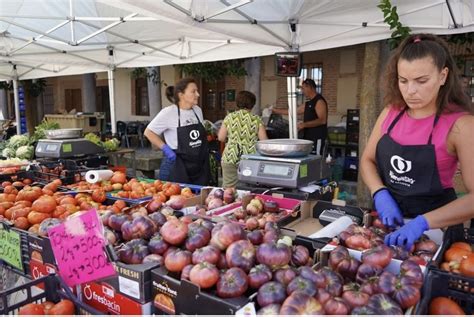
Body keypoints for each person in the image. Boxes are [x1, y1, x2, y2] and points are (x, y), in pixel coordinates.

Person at [360, 33, 474, 251]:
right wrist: (379, 192)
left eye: (421, 81)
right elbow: (367, 160)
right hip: (389, 224)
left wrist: (422, 222)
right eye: (403, 81)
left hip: (436, 232)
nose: (410, 91)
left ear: (443, 76)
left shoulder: (462, 125)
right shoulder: (391, 113)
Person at [144, 77, 210, 185]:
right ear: (181, 95)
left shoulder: (198, 111)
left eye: (197, 91)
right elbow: (148, 132)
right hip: (176, 164)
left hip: (197, 166)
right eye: (193, 91)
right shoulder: (168, 113)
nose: (198, 94)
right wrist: (166, 149)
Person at [218, 91, 268, 187]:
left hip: (230, 157)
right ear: (252, 104)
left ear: (237, 103)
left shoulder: (229, 117)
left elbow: (221, 137)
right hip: (249, 159)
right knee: (247, 190)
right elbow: (264, 141)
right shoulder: (256, 119)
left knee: (228, 190)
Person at [272, 78, 328, 155]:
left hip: (317, 137)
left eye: (303, 88)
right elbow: (294, 112)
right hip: (308, 138)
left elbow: (322, 120)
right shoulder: (308, 103)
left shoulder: (319, 101)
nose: (302, 91)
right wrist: (275, 110)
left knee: (317, 158)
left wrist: (304, 124)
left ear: (309, 87)